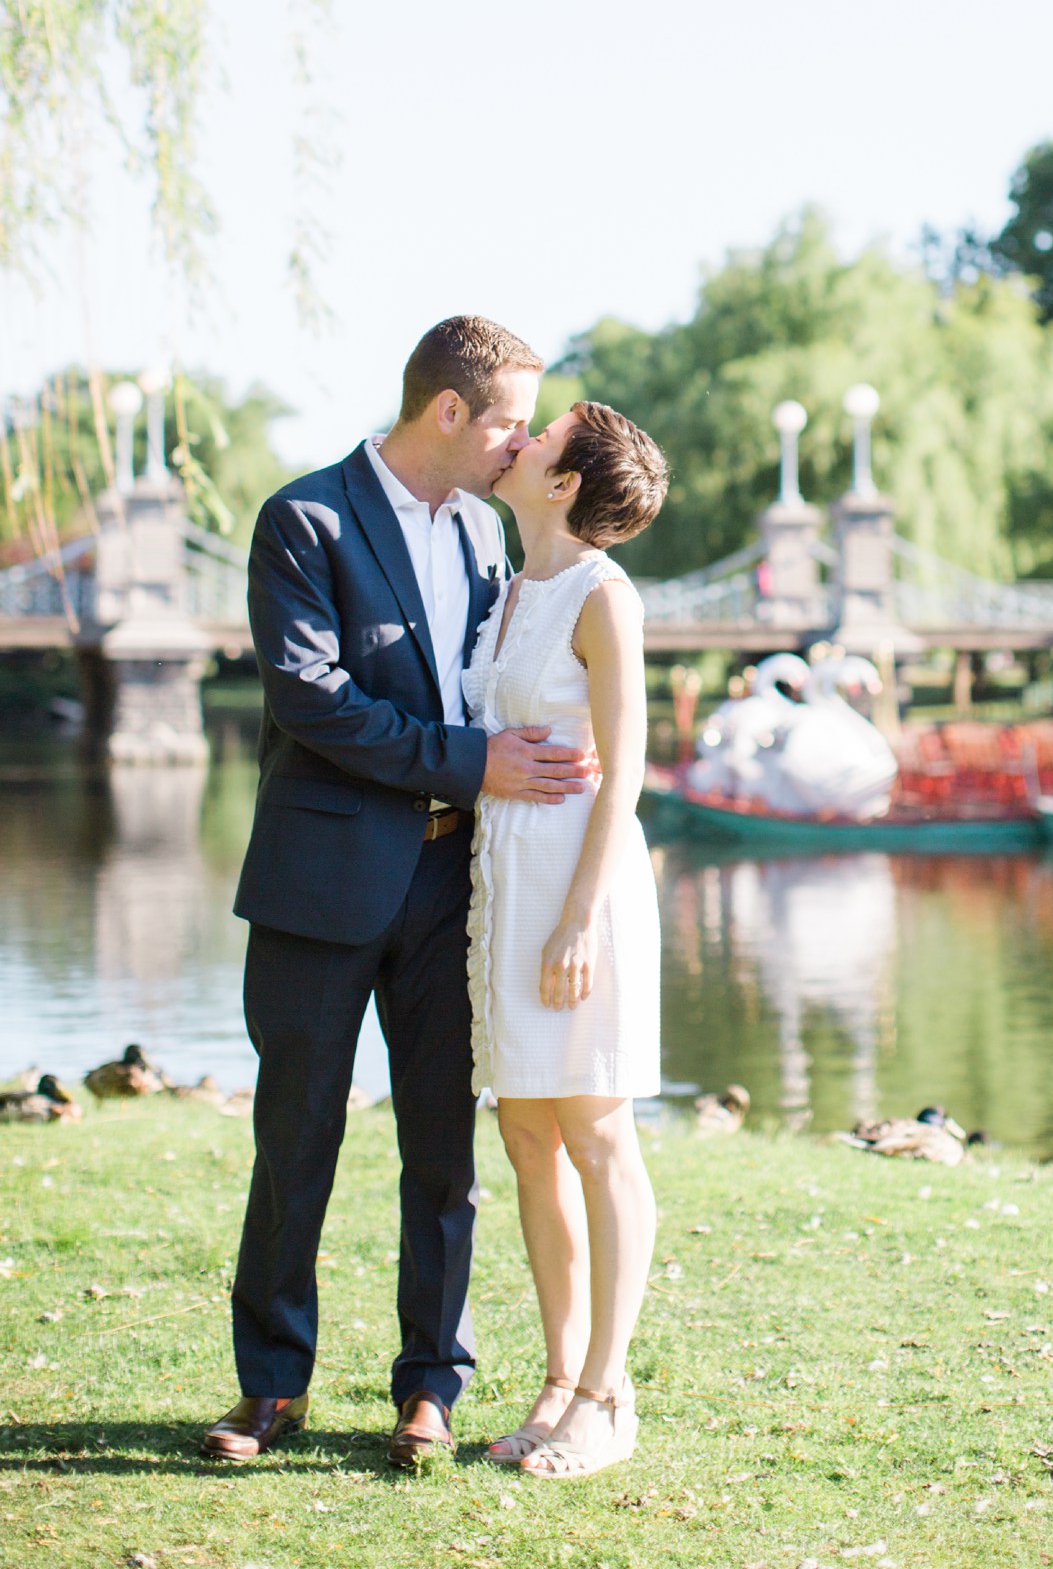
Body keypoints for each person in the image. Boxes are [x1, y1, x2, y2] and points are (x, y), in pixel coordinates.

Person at [201, 316, 595, 1470]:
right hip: (319, 884)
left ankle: (431, 1384)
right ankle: (271, 1387)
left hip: (449, 885)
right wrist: (474, 762)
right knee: (297, 1139)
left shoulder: (488, 535)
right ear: (450, 412)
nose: (523, 440)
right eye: (514, 417)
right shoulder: (304, 519)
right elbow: (313, 700)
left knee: (443, 1150)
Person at [464, 400, 668, 1479]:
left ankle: (607, 1390)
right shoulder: (511, 590)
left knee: (596, 1129)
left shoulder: (602, 594)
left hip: (577, 891)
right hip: (506, 879)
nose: (522, 434)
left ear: (563, 484)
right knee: (527, 1136)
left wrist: (581, 915)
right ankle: (556, 1374)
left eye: (544, 434)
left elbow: (625, 769)